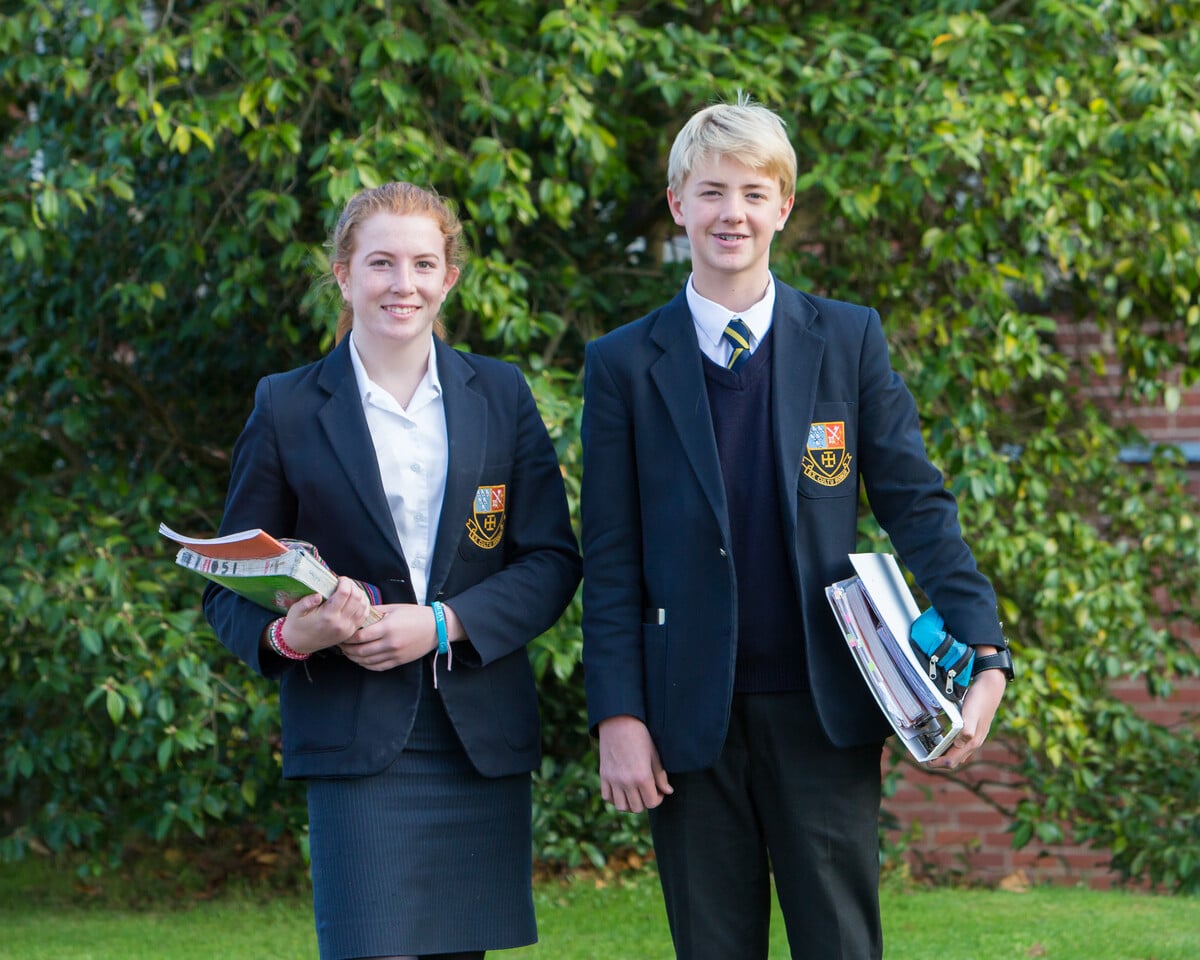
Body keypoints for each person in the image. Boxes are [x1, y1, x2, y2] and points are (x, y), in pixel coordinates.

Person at [580, 98, 1013, 960]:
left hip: (827, 707)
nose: (729, 213)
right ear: (677, 206)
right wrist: (618, 715)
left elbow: (917, 504)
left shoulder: (847, 340)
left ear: (783, 206)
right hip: (686, 718)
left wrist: (986, 653)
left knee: (842, 945)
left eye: (751, 192)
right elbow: (613, 556)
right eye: (709, 192)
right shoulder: (624, 363)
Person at [204, 181, 582, 960]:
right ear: (342, 274)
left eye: (421, 263)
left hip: (477, 740)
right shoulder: (286, 406)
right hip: (356, 739)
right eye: (380, 263)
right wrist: (292, 633)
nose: (401, 285)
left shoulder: (501, 395)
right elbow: (225, 583)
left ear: (449, 277)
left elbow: (550, 561)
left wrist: (445, 622)